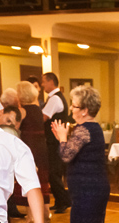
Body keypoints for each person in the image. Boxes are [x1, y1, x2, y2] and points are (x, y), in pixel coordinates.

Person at [52, 86, 110, 223]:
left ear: (84, 110)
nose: (71, 110)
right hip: (98, 187)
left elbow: (66, 155)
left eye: (74, 106)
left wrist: (61, 136)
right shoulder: (95, 129)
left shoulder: (84, 130)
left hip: (87, 190)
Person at [15, 80, 51, 223]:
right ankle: (45, 215)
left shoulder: (23, 111)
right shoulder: (37, 108)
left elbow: (15, 128)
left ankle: (31, 217)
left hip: (29, 148)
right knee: (41, 181)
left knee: (28, 181)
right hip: (41, 148)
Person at [41, 72, 71, 213]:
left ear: (51, 82)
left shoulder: (54, 99)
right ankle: (61, 201)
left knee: (54, 172)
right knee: (55, 172)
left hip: (55, 140)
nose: (42, 85)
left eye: (43, 82)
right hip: (56, 139)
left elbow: (44, 118)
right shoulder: (55, 98)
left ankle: (63, 201)